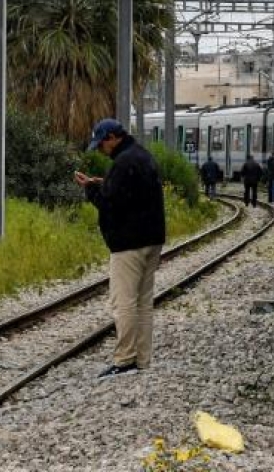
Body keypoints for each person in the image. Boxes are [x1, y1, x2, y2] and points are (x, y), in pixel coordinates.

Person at [74, 119, 166, 379]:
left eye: (102, 143)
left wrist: (91, 189)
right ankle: (143, 359)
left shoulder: (124, 163)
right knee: (144, 302)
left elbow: (110, 202)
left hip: (129, 243)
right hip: (152, 239)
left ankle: (125, 359)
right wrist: (101, 182)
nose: (101, 149)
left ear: (113, 137)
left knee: (123, 301)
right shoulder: (142, 156)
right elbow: (131, 191)